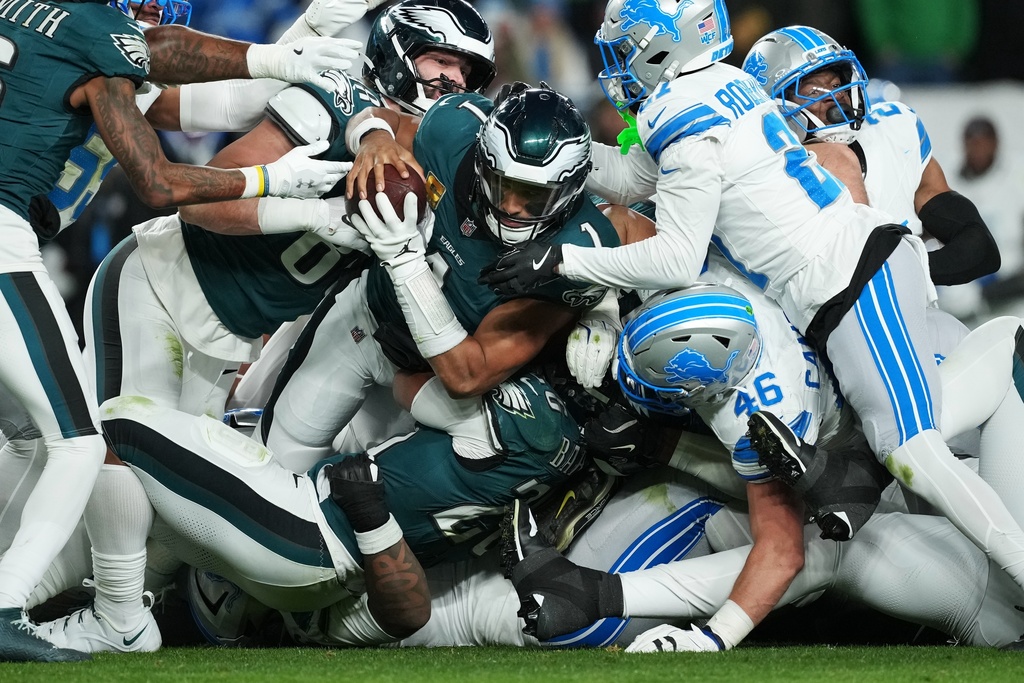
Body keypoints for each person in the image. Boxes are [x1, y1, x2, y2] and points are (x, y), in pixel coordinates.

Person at [477, 0, 1024, 620]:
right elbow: (635, 179)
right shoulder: (721, 84)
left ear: (663, 46)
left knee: (913, 452)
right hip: (843, 278)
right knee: (894, 453)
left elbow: (678, 260)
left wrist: (562, 265)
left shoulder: (676, 108)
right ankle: (854, 474)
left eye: (626, 44)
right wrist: (566, 148)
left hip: (849, 276)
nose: (619, 61)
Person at [23, 0, 499, 657]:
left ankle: (83, 610)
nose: (453, 80)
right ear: (400, 50)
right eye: (440, 59)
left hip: (229, 334)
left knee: (156, 501)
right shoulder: (333, 104)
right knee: (109, 451)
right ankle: (65, 610)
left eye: (468, 70)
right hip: (160, 286)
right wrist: (311, 214)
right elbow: (203, 207)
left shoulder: (434, 167)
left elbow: (332, 292)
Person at [0, 0, 353, 663]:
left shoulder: (59, 35)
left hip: (23, 232)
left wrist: (305, 37)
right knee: (80, 442)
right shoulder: (93, 41)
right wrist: (277, 179)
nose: (139, 23)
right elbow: (163, 164)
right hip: (11, 236)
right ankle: (22, 602)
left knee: (36, 437)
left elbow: (225, 101)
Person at [57, 361, 588, 648]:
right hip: (312, 548)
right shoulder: (558, 453)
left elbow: (419, 376)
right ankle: (50, 599)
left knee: (117, 427)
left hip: (307, 532)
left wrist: (373, 521)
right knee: (153, 500)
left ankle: (117, 621)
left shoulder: (532, 425)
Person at [255, 84, 644, 472]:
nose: (509, 205)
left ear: (570, 190)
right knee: (281, 456)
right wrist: (374, 139)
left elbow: (468, 373)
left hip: (434, 380)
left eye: (532, 195)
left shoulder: (580, 243)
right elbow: (382, 119)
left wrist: (600, 298)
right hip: (368, 318)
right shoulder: (454, 130)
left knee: (359, 484)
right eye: (501, 182)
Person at [741, 25, 1000, 289]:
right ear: (773, 108)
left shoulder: (894, 131)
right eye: (813, 91)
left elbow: (978, 247)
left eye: (836, 84)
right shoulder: (764, 174)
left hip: (904, 309)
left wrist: (908, 272)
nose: (836, 96)